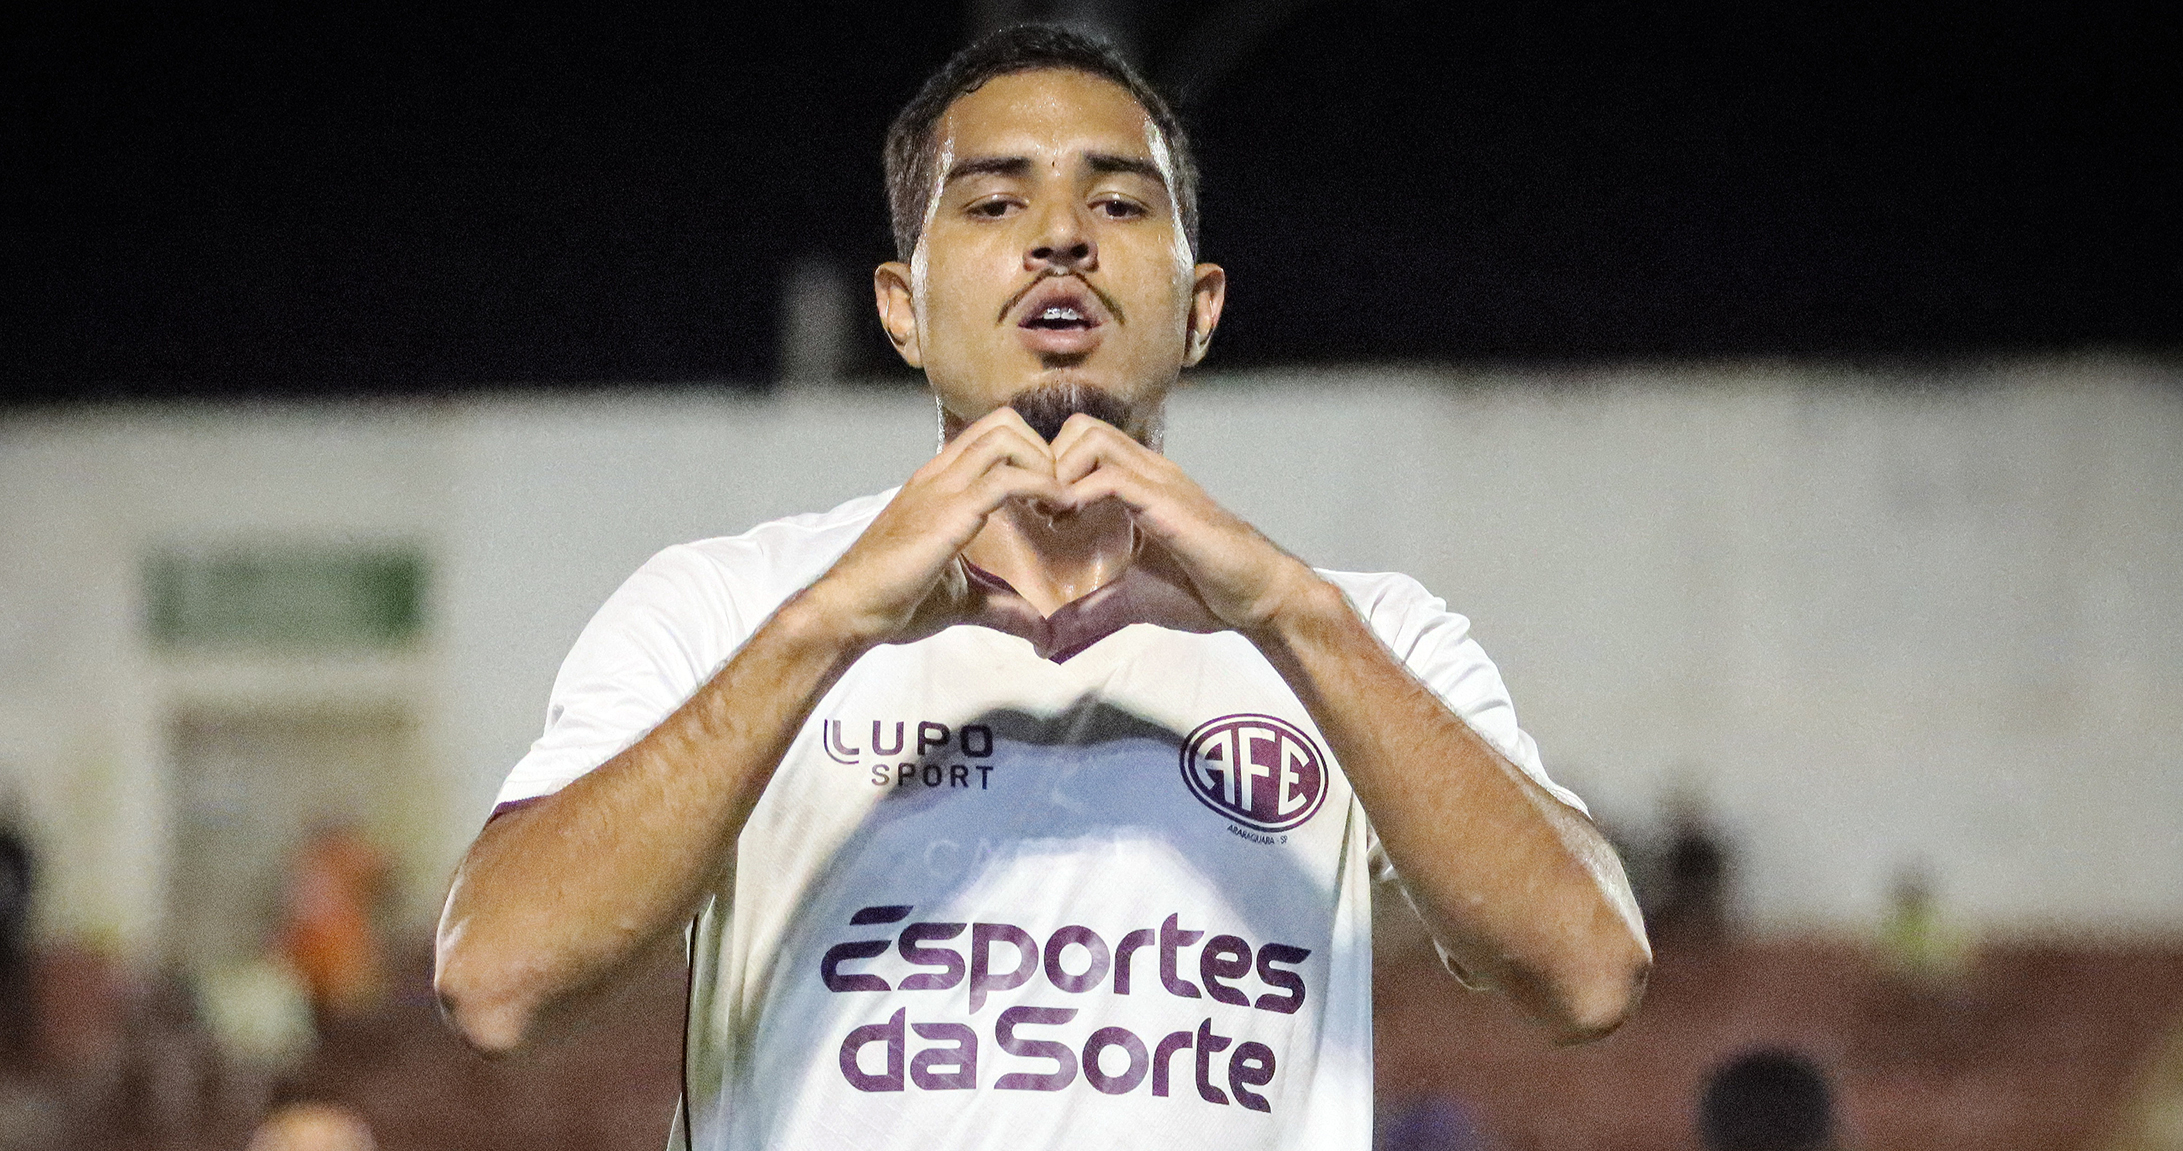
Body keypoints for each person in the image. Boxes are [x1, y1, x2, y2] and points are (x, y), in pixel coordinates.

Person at [433, 25, 1649, 1151]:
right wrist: (828, 625)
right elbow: (495, 981)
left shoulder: (1356, 631)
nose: (1060, 235)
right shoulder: (731, 604)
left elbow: (1589, 972)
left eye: (1116, 202)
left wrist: (1289, 613)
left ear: (1199, 309)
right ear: (902, 310)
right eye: (994, 202)